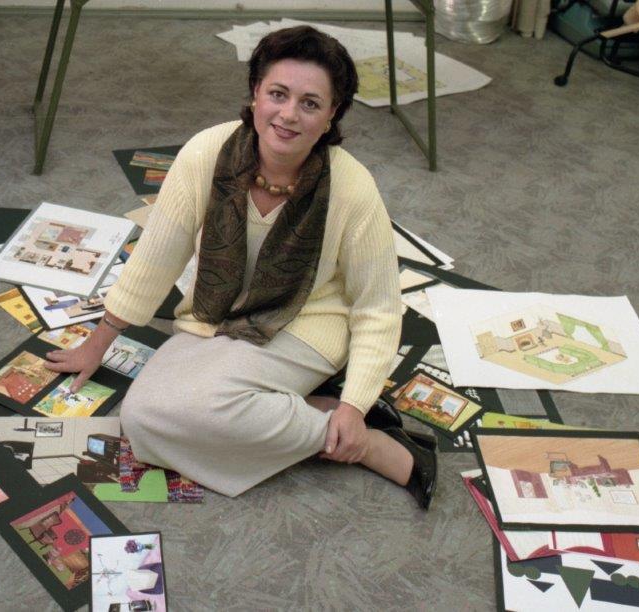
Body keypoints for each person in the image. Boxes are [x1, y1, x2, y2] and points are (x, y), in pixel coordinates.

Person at [44, 26, 437, 509]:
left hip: (306, 321)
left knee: (208, 408)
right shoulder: (206, 152)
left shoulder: (352, 187)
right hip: (217, 313)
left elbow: (378, 307)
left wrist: (356, 405)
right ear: (255, 93)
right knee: (142, 416)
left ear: (332, 114)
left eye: (310, 103)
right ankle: (315, 410)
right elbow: (157, 255)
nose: (288, 115)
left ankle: (371, 445)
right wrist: (98, 343)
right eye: (278, 94)